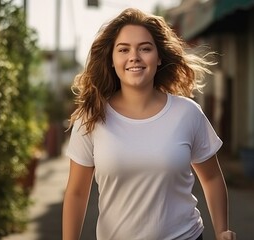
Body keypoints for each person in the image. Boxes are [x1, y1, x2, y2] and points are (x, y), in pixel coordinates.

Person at [62, 8, 236, 240]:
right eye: (124, 49)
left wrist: (222, 230)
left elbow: (212, 178)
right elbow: (76, 192)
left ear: (159, 56)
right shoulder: (91, 118)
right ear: (112, 60)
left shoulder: (187, 113)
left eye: (145, 48)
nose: (134, 56)